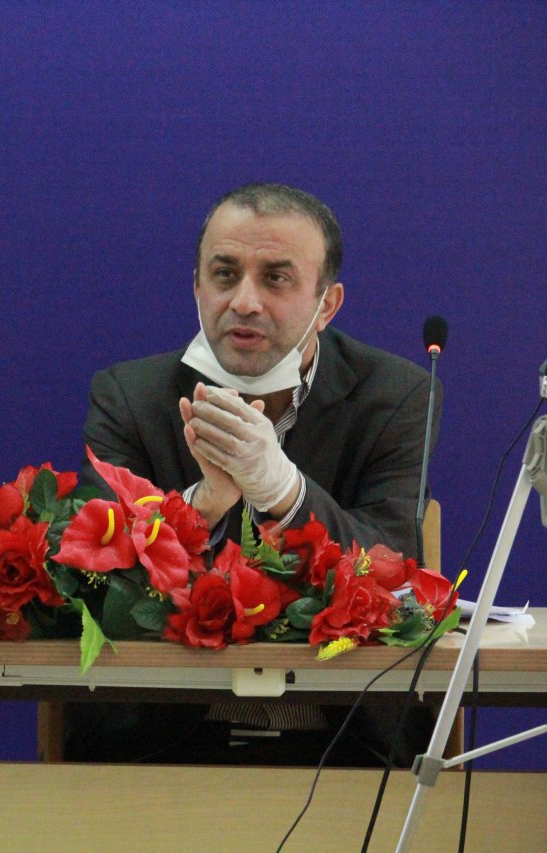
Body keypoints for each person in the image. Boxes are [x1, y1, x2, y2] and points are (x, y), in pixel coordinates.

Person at [68, 183, 440, 765]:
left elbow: (395, 568)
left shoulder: (396, 395)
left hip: (347, 735)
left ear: (327, 304)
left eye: (275, 278)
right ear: (197, 286)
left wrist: (283, 490)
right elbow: (93, 582)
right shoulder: (128, 397)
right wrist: (200, 507)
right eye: (224, 274)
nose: (244, 302)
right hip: (158, 732)